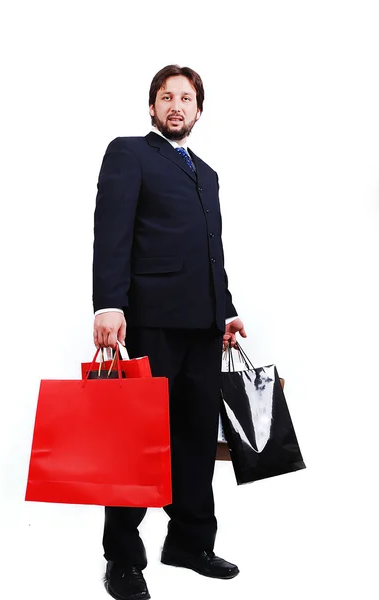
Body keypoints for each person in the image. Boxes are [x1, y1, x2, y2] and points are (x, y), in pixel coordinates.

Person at [92, 64, 247, 600]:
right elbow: (111, 232)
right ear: (152, 107)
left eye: (186, 98)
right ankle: (122, 560)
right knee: (137, 443)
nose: (176, 105)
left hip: (204, 325)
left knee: (197, 439)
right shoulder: (129, 153)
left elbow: (213, 253)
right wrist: (109, 304)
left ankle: (188, 542)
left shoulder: (207, 173)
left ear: (199, 110)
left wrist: (225, 311)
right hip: (151, 320)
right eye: (166, 97)